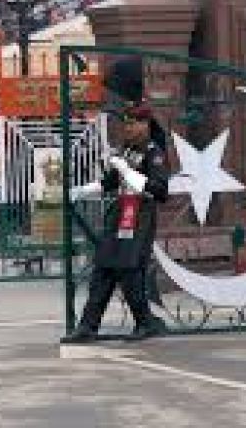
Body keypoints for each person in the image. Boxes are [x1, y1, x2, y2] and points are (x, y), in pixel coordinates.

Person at [68, 57, 170, 342]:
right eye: (125, 124)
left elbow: (160, 190)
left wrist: (130, 173)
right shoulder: (128, 150)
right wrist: (83, 190)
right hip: (121, 215)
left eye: (132, 124)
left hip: (139, 216)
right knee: (103, 268)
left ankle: (144, 322)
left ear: (145, 124)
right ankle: (88, 326)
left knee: (127, 269)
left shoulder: (154, 152)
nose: (126, 129)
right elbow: (110, 182)